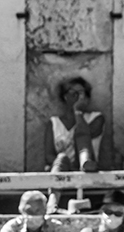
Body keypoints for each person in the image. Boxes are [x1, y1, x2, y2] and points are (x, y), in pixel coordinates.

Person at [45, 77, 105, 212]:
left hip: (89, 168)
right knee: (62, 158)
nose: (77, 97)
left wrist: (77, 112)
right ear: (65, 96)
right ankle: (52, 203)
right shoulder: (54, 123)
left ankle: (84, 163)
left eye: (81, 93)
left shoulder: (96, 117)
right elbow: (48, 155)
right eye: (73, 93)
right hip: (62, 169)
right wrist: (66, 167)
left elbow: (84, 134)